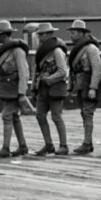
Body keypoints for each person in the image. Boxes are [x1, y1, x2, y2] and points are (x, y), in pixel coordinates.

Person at [0, 20, 30, 158]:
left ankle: (5, 148)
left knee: (6, 116)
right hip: (5, 89)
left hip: (15, 89)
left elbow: (24, 72)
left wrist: (22, 93)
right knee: (14, 117)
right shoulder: (1, 51)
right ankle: (22, 146)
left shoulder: (17, 51)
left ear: (3, 34)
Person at [31, 23, 69, 156]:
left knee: (56, 116)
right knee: (40, 115)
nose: (39, 37)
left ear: (48, 34)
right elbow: (37, 69)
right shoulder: (42, 50)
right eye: (39, 34)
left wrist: (49, 79)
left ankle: (63, 145)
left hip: (55, 88)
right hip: (42, 88)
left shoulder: (57, 51)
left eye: (41, 34)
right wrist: (33, 87)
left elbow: (63, 71)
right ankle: (48, 144)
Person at [66, 20, 101, 155]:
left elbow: (97, 69)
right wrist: (70, 88)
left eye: (73, 33)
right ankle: (88, 142)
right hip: (81, 85)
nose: (71, 36)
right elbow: (72, 70)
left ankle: (87, 143)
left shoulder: (91, 49)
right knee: (84, 113)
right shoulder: (77, 50)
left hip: (88, 85)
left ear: (81, 33)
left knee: (87, 113)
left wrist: (93, 88)